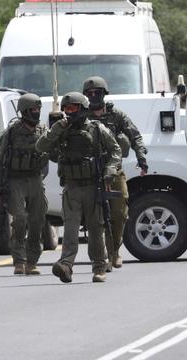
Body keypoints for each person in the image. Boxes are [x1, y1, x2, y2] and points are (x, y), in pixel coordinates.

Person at [36, 92, 121, 283]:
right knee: (71, 229)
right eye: (66, 109)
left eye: (73, 108)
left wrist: (110, 169)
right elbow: (40, 147)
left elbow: (116, 150)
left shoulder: (97, 129)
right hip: (71, 187)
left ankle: (99, 267)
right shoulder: (62, 129)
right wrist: (56, 129)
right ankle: (65, 265)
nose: (68, 112)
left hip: (93, 186)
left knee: (96, 228)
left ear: (82, 109)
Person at [82, 76, 148, 270]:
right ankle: (102, 257)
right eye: (90, 94)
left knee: (119, 213)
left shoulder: (116, 115)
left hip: (114, 170)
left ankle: (115, 251)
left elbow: (135, 136)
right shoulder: (81, 116)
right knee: (95, 217)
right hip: (90, 172)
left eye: (97, 93)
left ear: (104, 94)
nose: (94, 96)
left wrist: (141, 158)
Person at [0, 93, 48, 276]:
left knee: (37, 220)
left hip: (35, 179)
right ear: (24, 111)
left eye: (38, 109)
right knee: (20, 220)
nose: (36, 113)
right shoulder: (11, 133)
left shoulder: (42, 130)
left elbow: (50, 153)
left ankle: (32, 261)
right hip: (15, 180)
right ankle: (19, 260)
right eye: (33, 110)